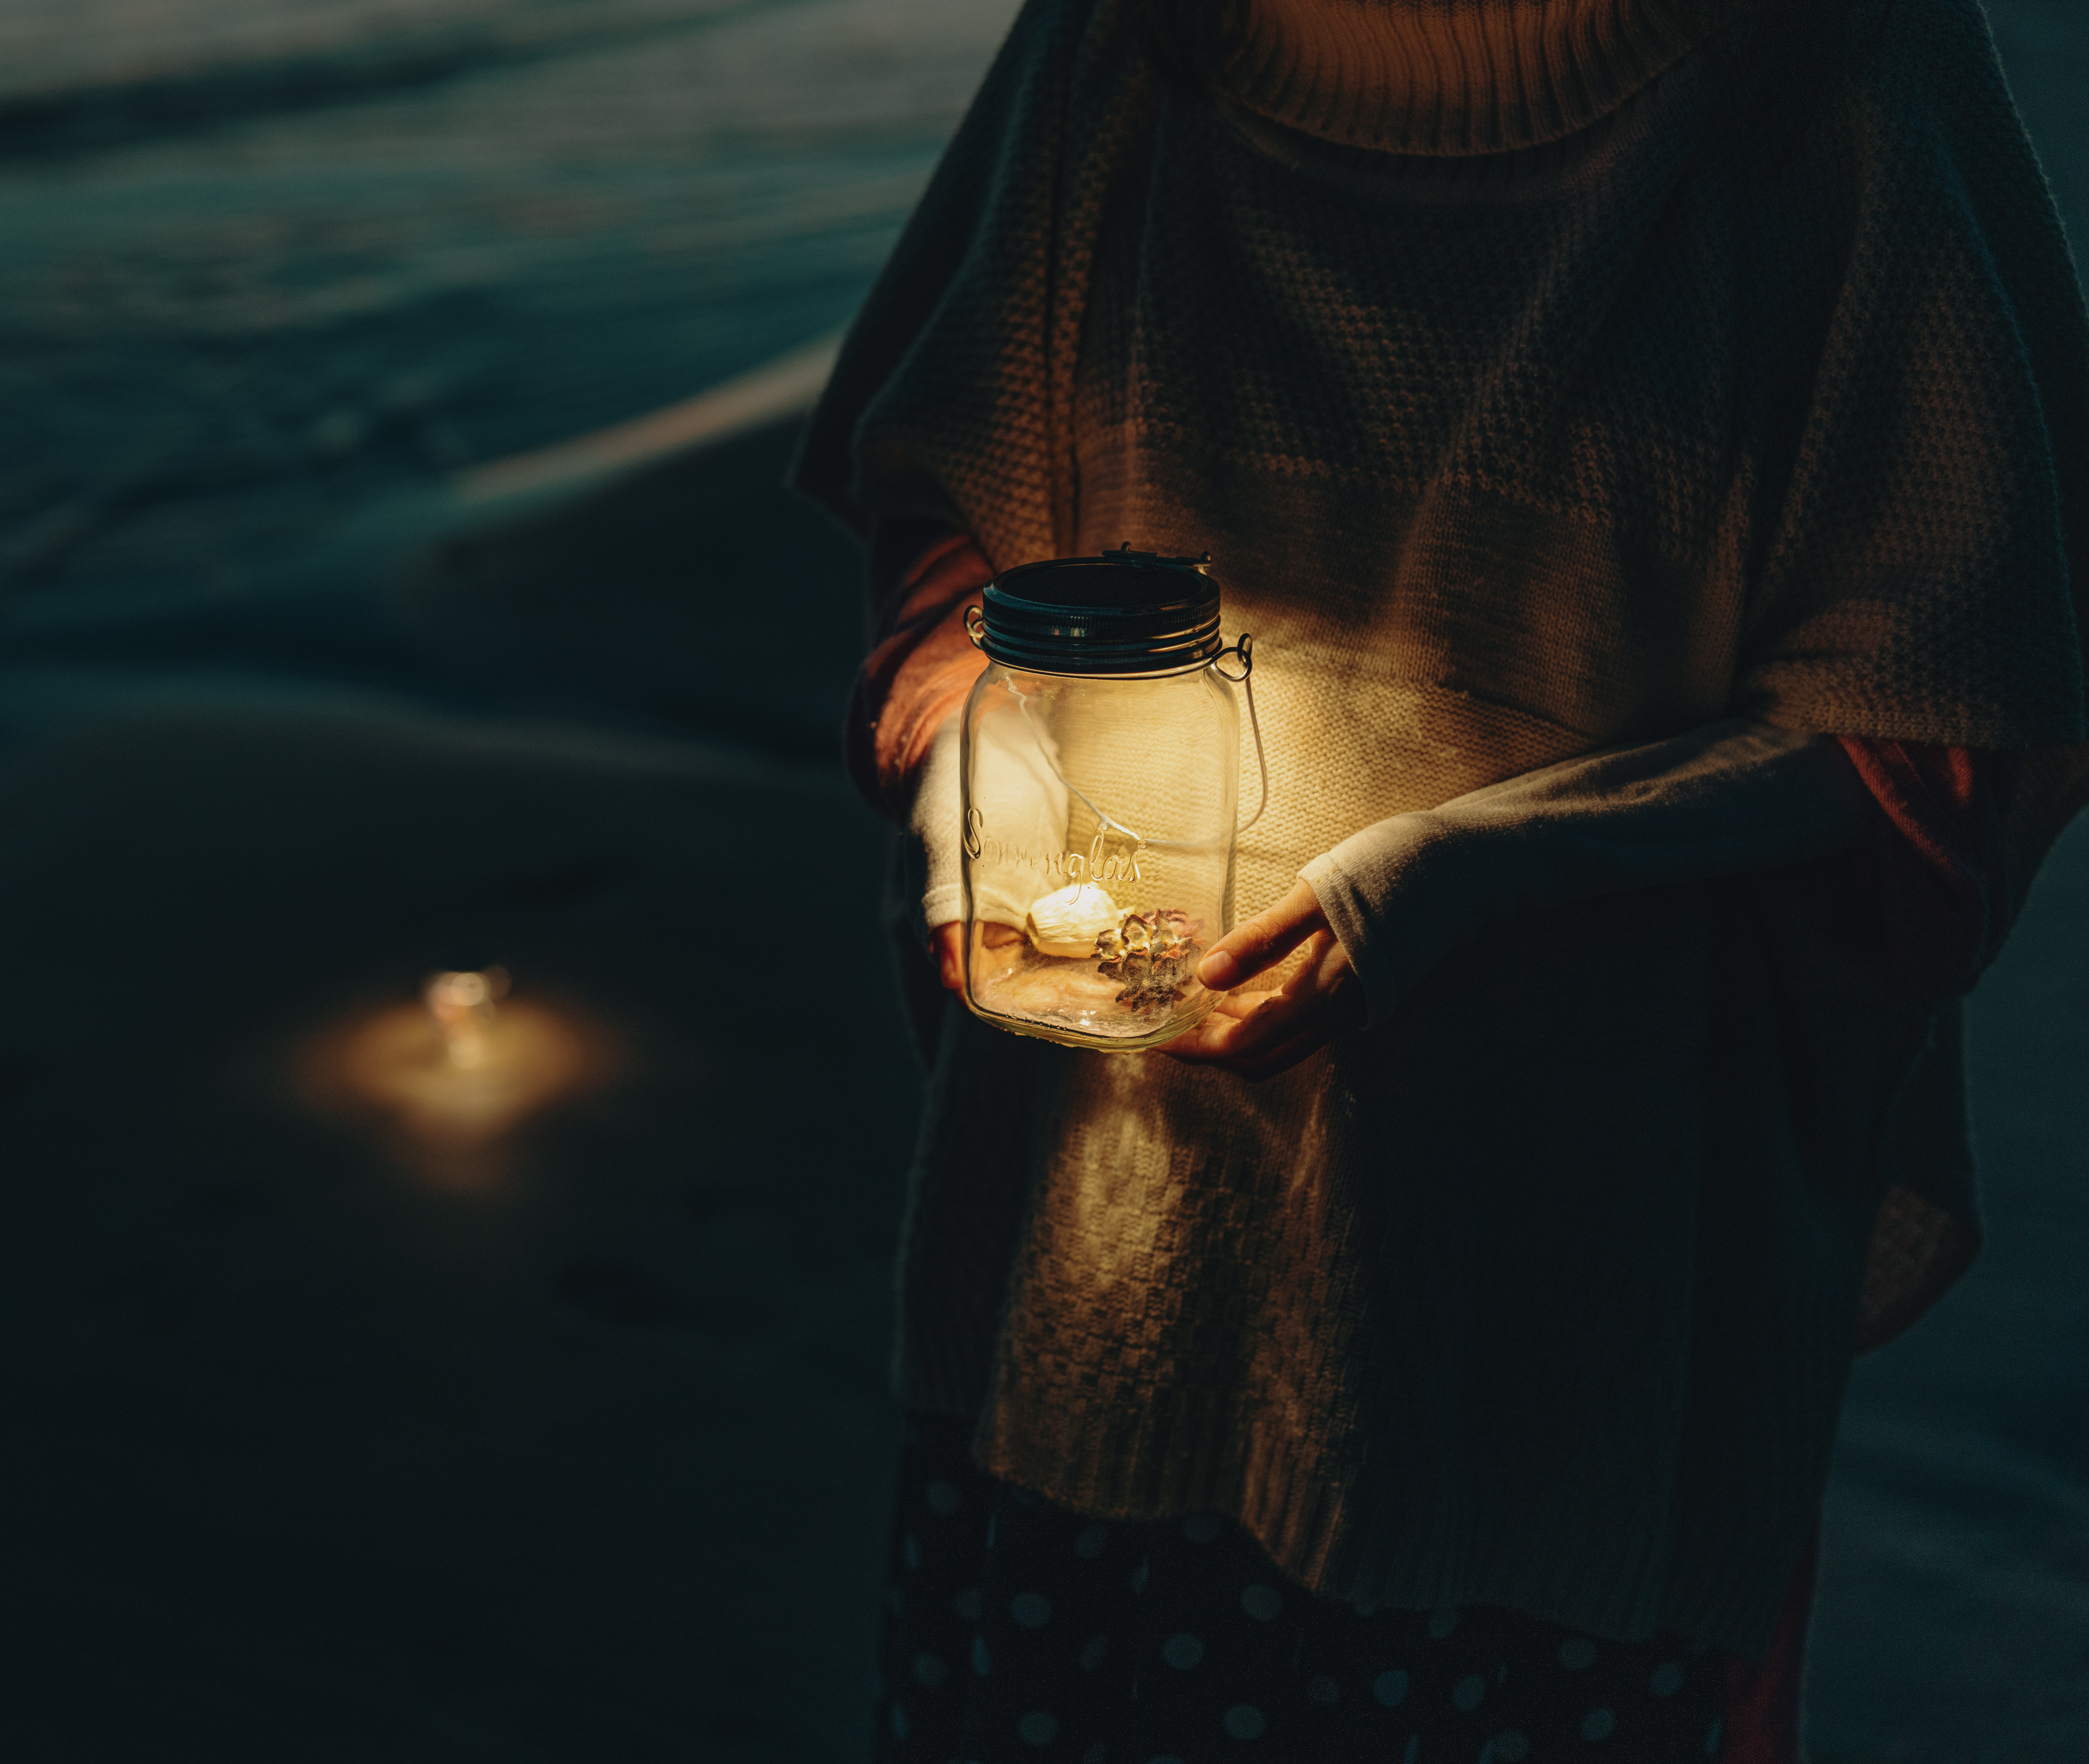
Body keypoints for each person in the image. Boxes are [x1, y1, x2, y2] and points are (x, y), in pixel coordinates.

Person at [791, 1, 2089, 1759]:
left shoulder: (1827, 69)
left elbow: (1936, 733)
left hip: (1557, 1275)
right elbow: (941, 531)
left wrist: (1463, 878)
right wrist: (968, 768)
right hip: (1098, 1260)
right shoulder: (1129, 45)